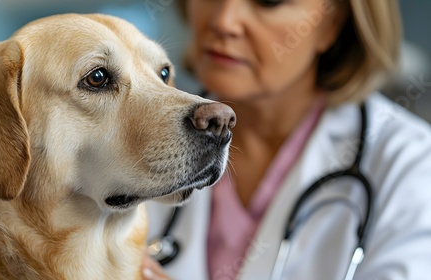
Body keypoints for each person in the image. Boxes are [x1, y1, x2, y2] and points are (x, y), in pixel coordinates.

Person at [142, 0, 431, 279]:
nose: (223, 21)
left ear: (334, 21)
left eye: (269, 1)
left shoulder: (410, 163)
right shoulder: (129, 133)